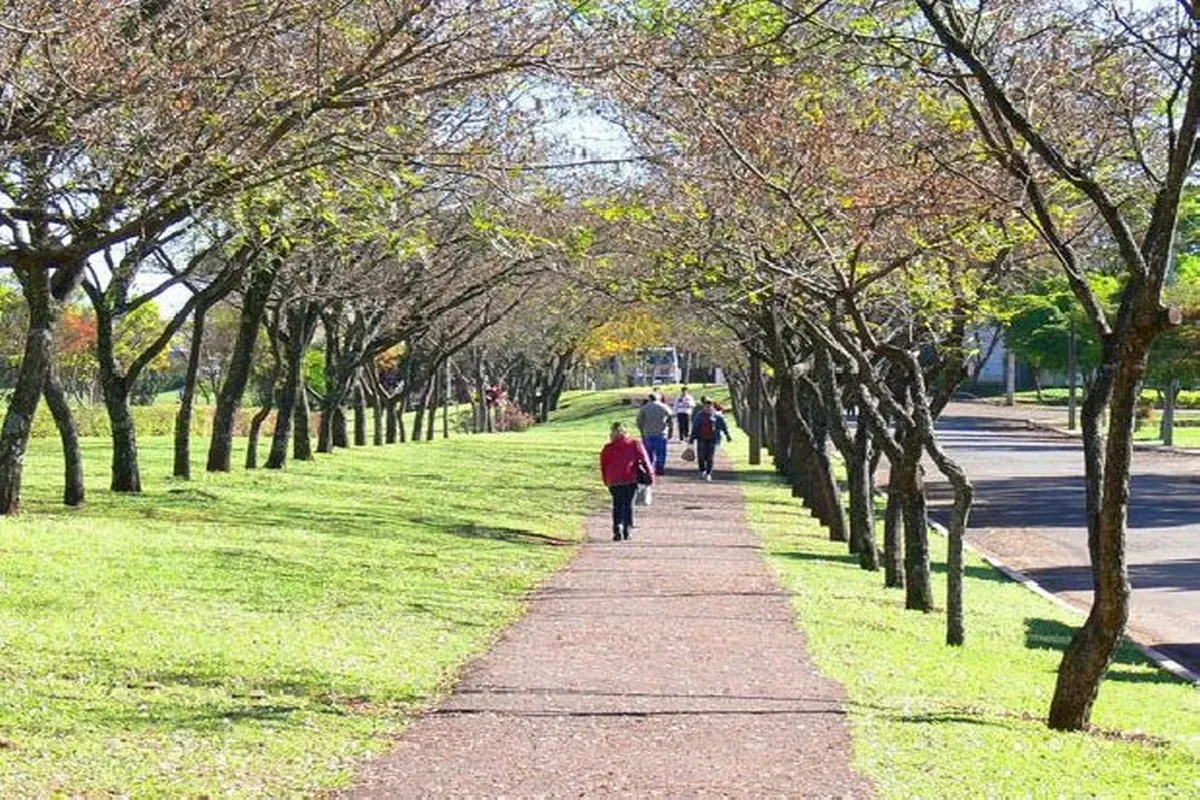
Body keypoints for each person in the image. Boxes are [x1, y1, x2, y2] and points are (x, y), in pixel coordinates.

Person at [600, 421, 653, 541]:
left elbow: (604, 465)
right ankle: (627, 529)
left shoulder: (608, 448)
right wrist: (650, 475)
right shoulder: (634, 444)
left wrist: (606, 480)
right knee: (628, 504)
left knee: (617, 504)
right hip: (629, 478)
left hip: (613, 480)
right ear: (626, 432)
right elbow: (644, 460)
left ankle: (617, 527)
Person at [690, 397, 733, 481]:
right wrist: (692, 438)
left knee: (710, 456)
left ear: (712, 406)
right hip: (701, 438)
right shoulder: (699, 415)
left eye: (710, 406)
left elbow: (723, 426)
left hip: (713, 438)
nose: (708, 408)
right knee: (701, 456)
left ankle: (709, 473)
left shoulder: (717, 416)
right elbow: (695, 427)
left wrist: (727, 435)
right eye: (706, 406)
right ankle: (702, 470)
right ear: (704, 406)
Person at [636, 391, 674, 475]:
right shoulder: (664, 407)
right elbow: (670, 418)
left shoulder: (644, 408)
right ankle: (659, 467)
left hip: (648, 434)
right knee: (661, 452)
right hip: (661, 433)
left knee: (648, 452)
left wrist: (642, 431)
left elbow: (639, 421)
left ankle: (649, 468)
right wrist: (670, 430)